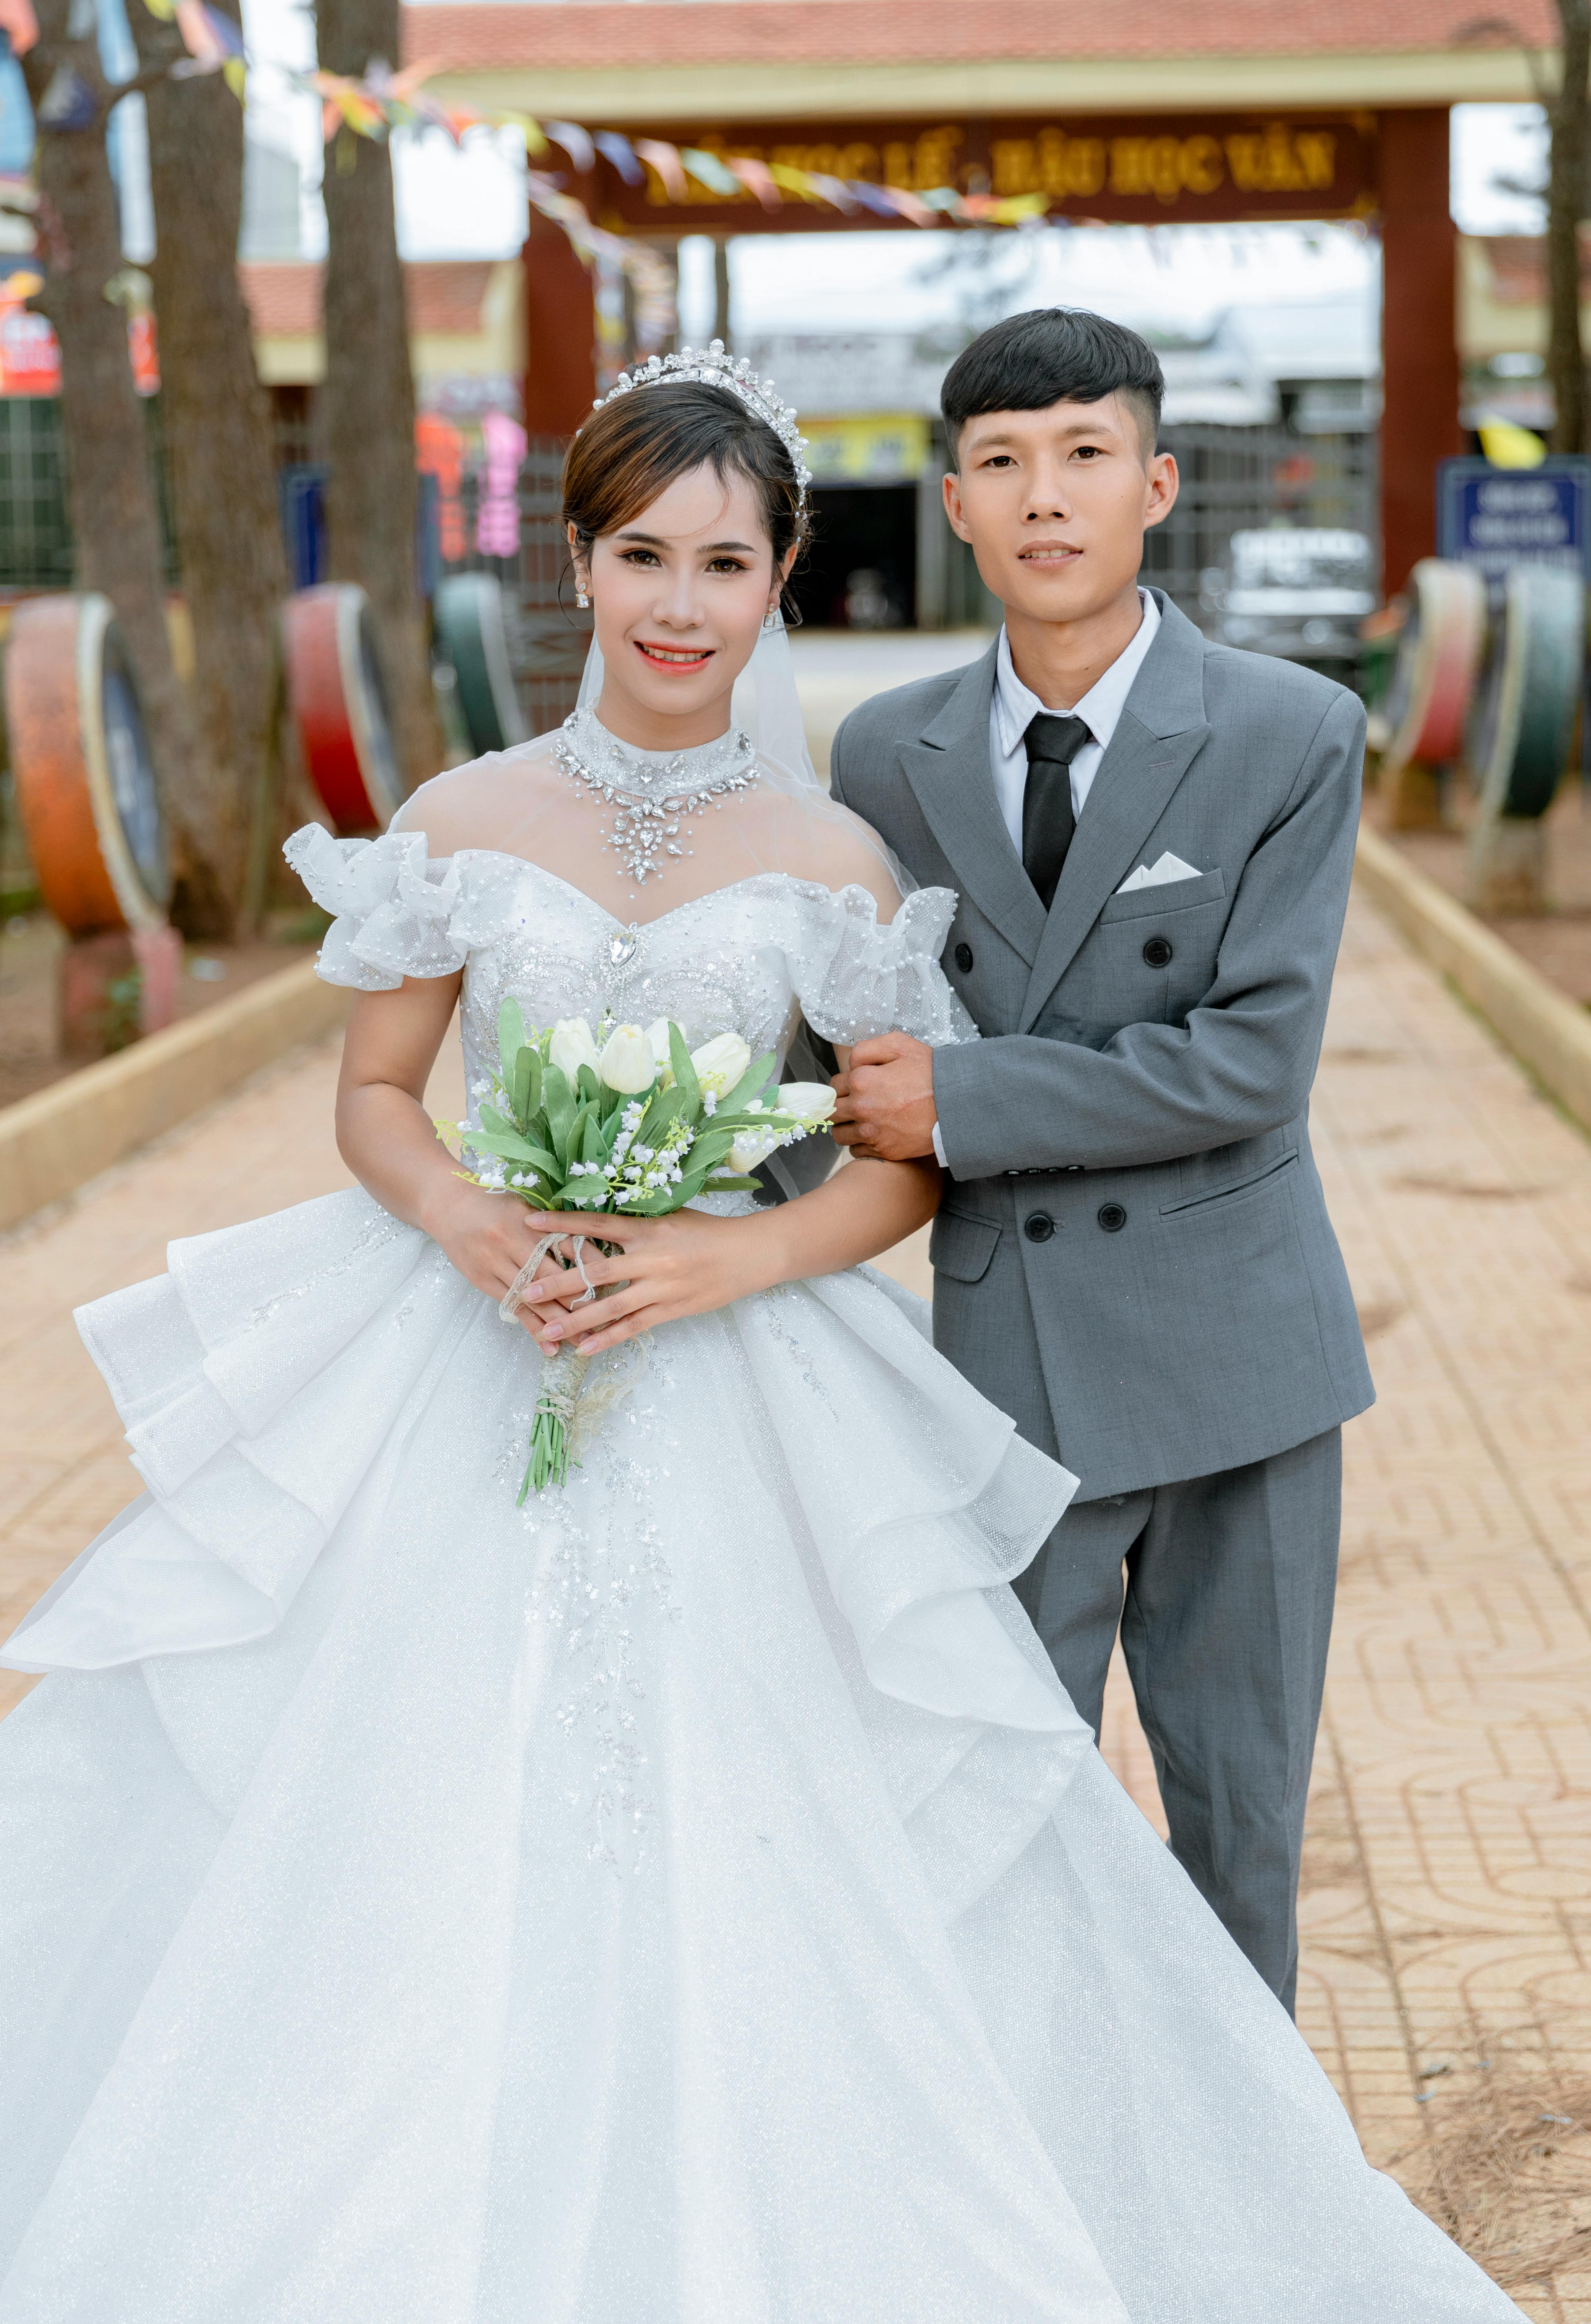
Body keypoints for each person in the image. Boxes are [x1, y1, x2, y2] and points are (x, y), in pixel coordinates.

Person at [0, 346, 1518, 2324]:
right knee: (400, 1796)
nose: (676, 601)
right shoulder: (478, 813)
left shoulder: (839, 848)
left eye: (722, 561)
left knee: (887, 1823)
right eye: (639, 554)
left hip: (786, 1362)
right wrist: (475, 1218)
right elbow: (380, 1098)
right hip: (479, 1346)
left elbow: (888, 1152)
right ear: (579, 559)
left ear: (783, 573)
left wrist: (721, 1260)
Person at [828, 307, 1373, 2019]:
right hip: (1001, 1381)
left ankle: (1251, 2238)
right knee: (996, 1827)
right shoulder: (879, 757)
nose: (1042, 496)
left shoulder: (1287, 729)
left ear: (1154, 485)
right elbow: (835, 1051)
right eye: (1001, 463)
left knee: (1233, 1840)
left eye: (1080, 457)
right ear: (955, 502)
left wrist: (965, 1105)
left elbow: (1244, 1061)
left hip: (1240, 1367)